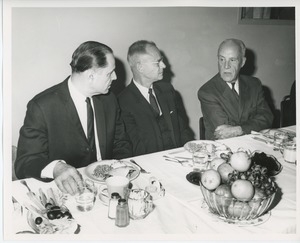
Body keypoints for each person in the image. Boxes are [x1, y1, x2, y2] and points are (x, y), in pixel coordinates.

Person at [15, 41, 132, 195]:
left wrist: (118, 172)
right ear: (90, 76)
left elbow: (121, 143)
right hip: (67, 191)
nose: (115, 77)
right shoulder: (42, 106)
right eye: (110, 73)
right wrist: (56, 168)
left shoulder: (109, 100)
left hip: (108, 187)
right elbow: (25, 163)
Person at [118, 40, 193, 156]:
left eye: (161, 60)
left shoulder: (168, 90)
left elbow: (183, 129)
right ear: (140, 67)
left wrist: (188, 150)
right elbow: (135, 148)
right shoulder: (123, 102)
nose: (164, 65)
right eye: (157, 62)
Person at [198, 38, 273, 140]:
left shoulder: (254, 84)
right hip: (223, 150)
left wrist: (239, 129)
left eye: (232, 60)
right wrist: (254, 124)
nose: (226, 66)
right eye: (222, 59)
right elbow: (224, 133)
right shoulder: (207, 92)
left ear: (242, 62)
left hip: (254, 144)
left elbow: (267, 117)